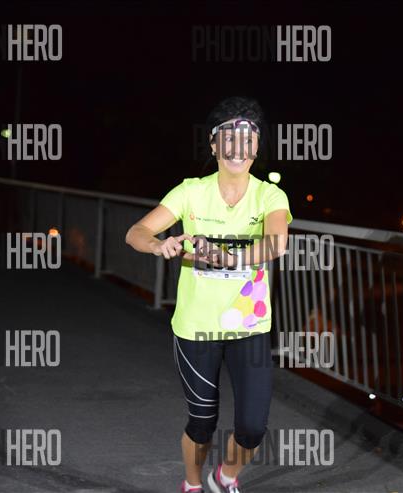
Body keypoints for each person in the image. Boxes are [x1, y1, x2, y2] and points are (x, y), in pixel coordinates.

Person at [126, 97, 291, 493]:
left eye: (247, 139)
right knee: (202, 423)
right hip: (196, 327)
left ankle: (225, 477)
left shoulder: (270, 196)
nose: (237, 148)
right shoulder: (190, 192)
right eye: (228, 138)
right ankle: (193, 484)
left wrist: (227, 257)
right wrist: (158, 245)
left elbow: (276, 243)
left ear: (256, 148)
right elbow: (136, 233)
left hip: (249, 325)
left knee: (252, 427)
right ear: (214, 145)